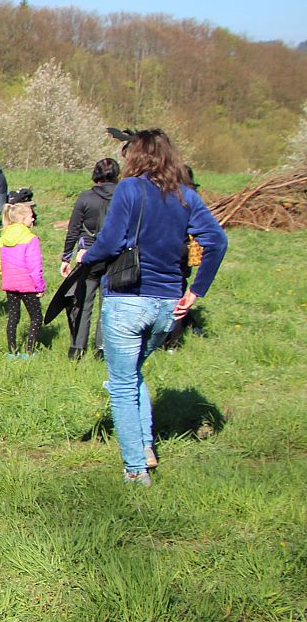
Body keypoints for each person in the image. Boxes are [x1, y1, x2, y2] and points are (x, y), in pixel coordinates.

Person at [80, 129, 227, 484]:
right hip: (168, 306)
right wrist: (196, 291)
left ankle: (135, 470)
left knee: (121, 384)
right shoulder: (186, 196)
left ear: (135, 156)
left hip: (127, 300)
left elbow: (110, 242)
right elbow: (217, 241)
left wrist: (86, 256)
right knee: (133, 374)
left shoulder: (129, 188)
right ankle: (145, 445)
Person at [61, 157, 120, 360]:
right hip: (115, 255)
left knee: (83, 303)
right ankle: (102, 349)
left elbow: (73, 229)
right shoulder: (123, 197)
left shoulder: (86, 197)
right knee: (107, 303)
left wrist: (66, 257)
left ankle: (77, 348)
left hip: (88, 254)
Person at [0, 202, 46, 358]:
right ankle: (29, 351)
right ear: (23, 218)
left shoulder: (4, 236)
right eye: (31, 216)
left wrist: (4, 275)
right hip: (27, 284)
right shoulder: (31, 238)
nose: (33, 219)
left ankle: (11, 352)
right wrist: (40, 287)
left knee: (13, 317)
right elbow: (34, 266)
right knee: (36, 317)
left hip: (9, 282)